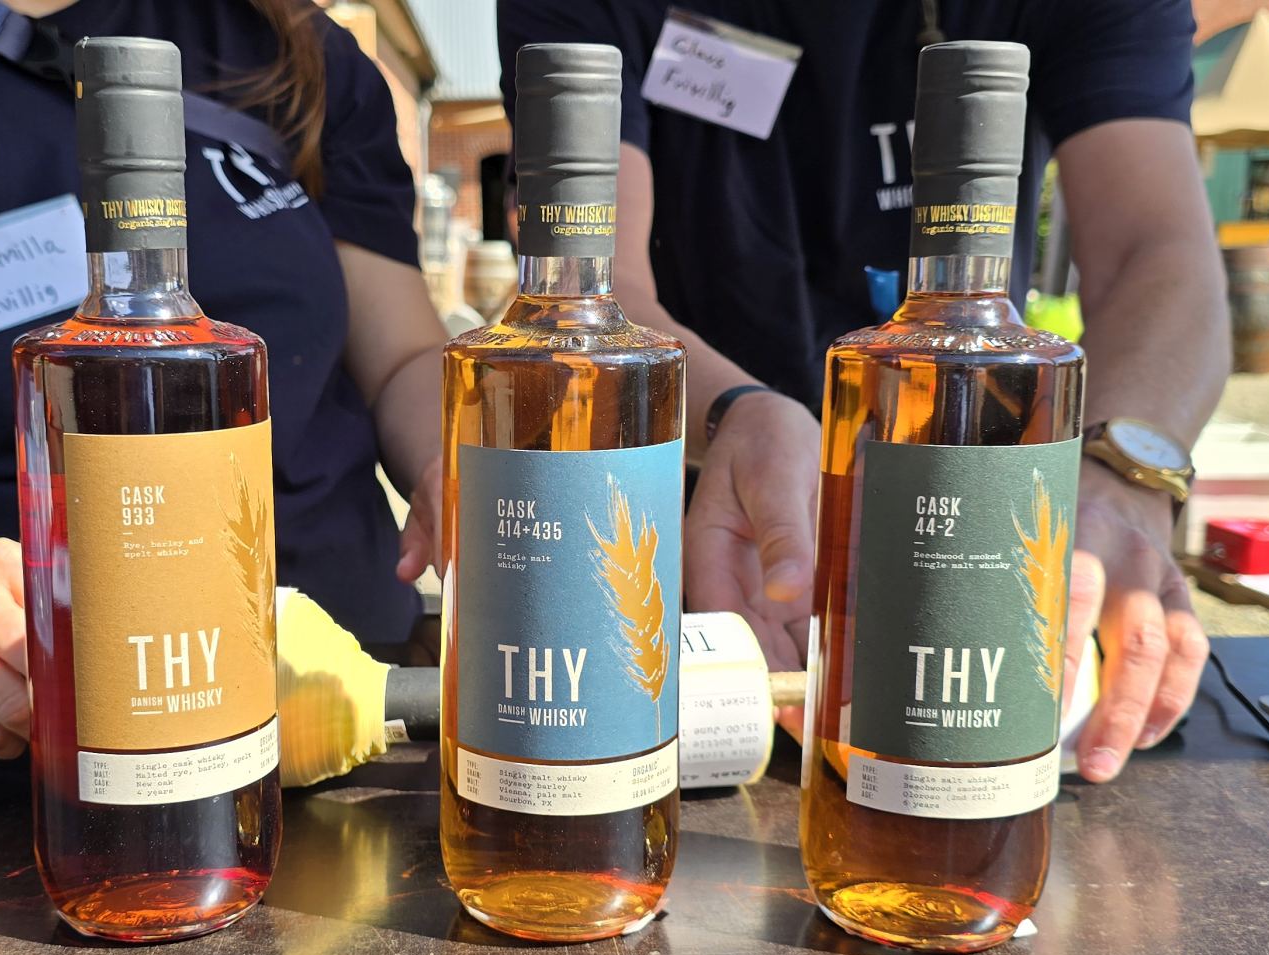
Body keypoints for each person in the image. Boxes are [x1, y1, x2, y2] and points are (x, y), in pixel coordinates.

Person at [0, 0, 813, 761]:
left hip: (351, 713)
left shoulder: (289, 50)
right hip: (15, 755)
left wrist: (464, 462)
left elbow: (395, 352)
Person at [496, 0, 1229, 783]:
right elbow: (592, 291)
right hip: (714, 545)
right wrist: (736, 414)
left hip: (971, 541)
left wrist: (1119, 476)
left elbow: (1159, 254)